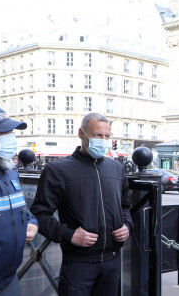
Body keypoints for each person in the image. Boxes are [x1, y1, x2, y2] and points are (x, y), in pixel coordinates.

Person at [30, 112, 133, 296]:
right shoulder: (57, 170)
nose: (103, 140)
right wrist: (69, 235)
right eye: (97, 135)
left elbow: (125, 207)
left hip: (112, 262)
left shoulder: (116, 168)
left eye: (106, 136)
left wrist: (127, 225)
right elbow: (39, 214)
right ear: (81, 133)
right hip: (78, 264)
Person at [0, 105, 38, 296]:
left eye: (11, 132)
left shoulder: (9, 171)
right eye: (3, 132)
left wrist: (31, 223)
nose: (10, 138)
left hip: (9, 280)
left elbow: (22, 210)